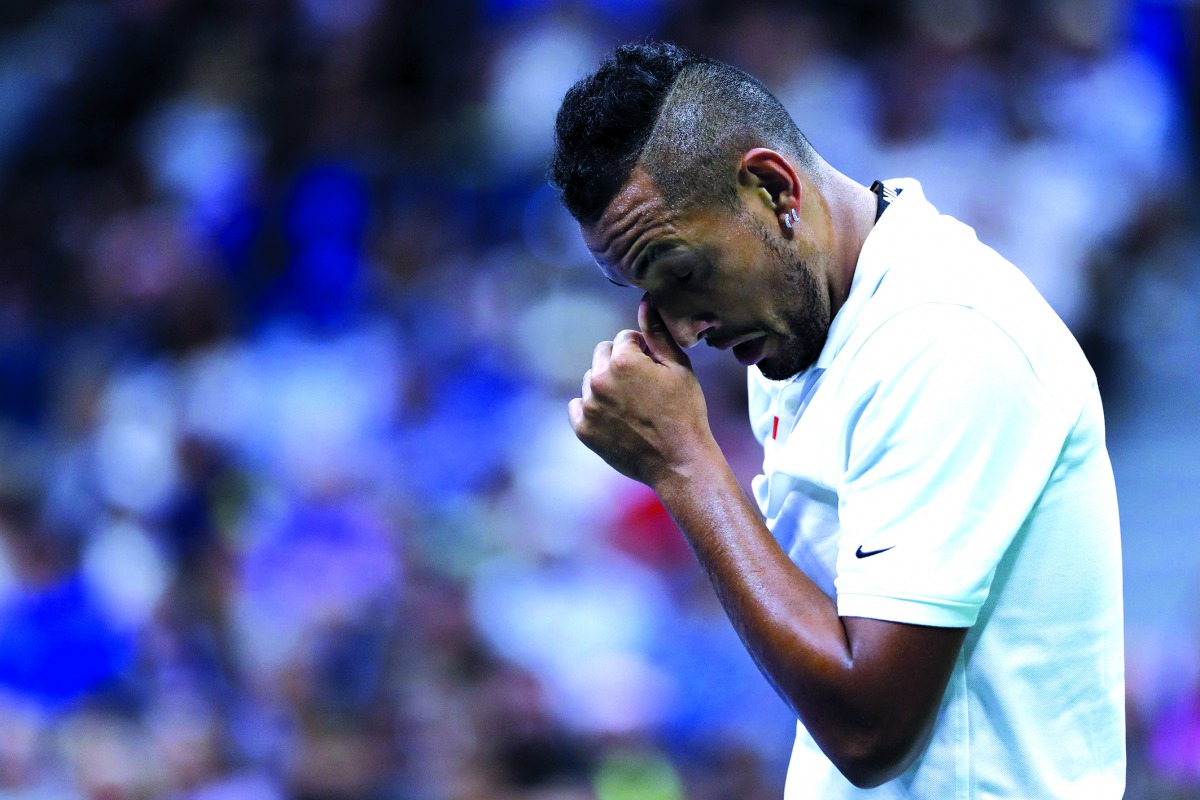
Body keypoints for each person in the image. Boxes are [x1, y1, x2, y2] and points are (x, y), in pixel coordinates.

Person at [548, 41, 1125, 799]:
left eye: (683, 274)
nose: (683, 330)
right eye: (645, 294)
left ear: (771, 188)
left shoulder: (948, 337)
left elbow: (871, 729)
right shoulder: (800, 321)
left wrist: (683, 463)